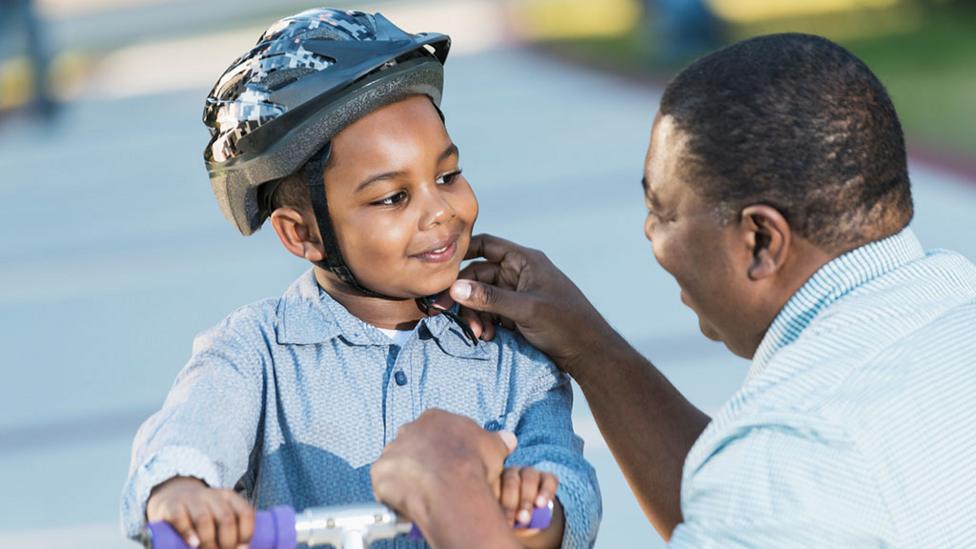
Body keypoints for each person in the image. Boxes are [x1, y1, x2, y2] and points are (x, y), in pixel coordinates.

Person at [371, 33, 976, 547]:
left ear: (761, 240)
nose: (648, 234)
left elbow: (769, 490)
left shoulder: (795, 454)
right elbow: (731, 509)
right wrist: (590, 346)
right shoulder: (953, 307)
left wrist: (451, 500)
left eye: (663, 212)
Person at [120, 9, 600, 549]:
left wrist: (536, 501)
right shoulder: (255, 352)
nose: (439, 211)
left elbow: (571, 492)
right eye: (393, 197)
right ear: (303, 235)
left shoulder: (510, 355)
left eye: (447, 175)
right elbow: (191, 429)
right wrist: (181, 488)